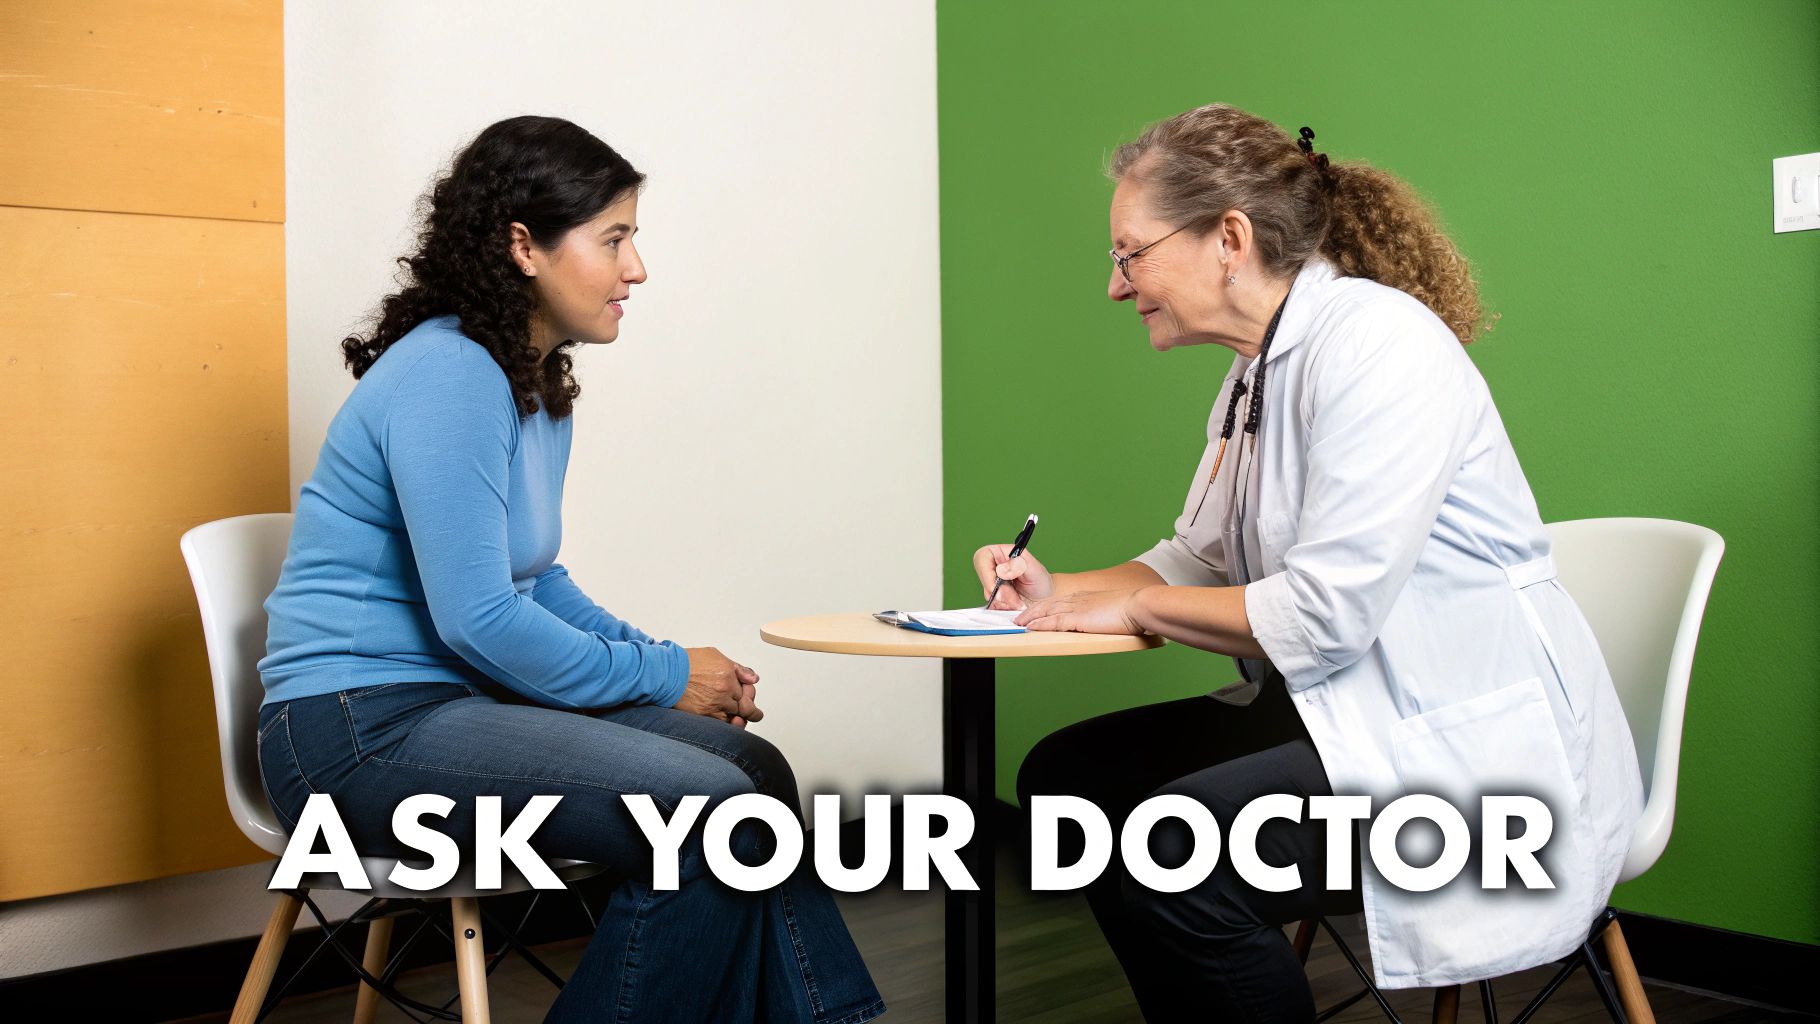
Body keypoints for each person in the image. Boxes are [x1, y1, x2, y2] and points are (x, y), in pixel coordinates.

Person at [977, 104, 1644, 1022]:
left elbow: (1325, 615)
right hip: (1353, 714)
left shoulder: (1381, 346)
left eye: (1129, 255)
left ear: (1230, 239)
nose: (1117, 285)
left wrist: (1135, 613)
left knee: (1164, 858)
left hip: (1468, 757)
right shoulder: (1256, 375)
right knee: (1067, 779)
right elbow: (1192, 561)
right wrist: (1063, 591)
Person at [256, 115, 884, 1024]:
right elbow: (478, 620)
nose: (638, 269)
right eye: (615, 239)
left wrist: (671, 665)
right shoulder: (450, 371)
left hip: (451, 709)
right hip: (352, 732)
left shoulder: (535, 379)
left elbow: (534, 581)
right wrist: (670, 674)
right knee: (704, 815)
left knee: (752, 769)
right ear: (524, 246)